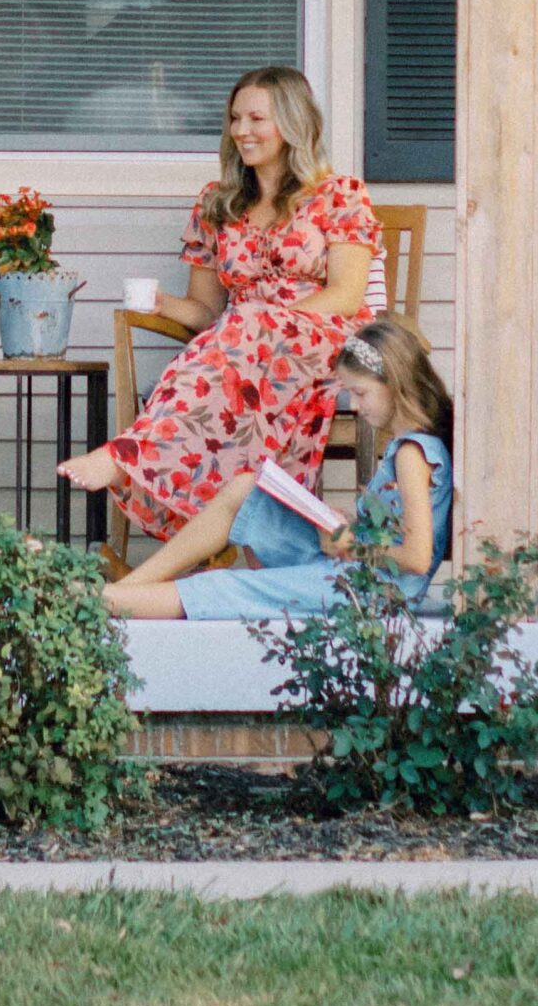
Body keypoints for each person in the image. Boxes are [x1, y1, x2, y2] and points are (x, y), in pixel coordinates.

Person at [58, 66, 379, 538]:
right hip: (237, 351)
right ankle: (215, 530)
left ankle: (127, 455)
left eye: (256, 119)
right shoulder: (218, 203)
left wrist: (268, 320)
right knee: (223, 343)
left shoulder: (338, 194)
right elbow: (206, 312)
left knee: (241, 325)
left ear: (293, 124)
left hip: (323, 339)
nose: (242, 131)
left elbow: (347, 295)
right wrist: (160, 303)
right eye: (235, 119)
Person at [103, 315, 451, 621]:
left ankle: (101, 602)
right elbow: (399, 530)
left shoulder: (411, 454)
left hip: (370, 590)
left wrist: (351, 544)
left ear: (395, 386)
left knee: (223, 585)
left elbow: (417, 558)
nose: (356, 407)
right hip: (361, 570)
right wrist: (347, 525)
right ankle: (130, 588)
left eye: (360, 394)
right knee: (245, 490)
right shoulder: (414, 447)